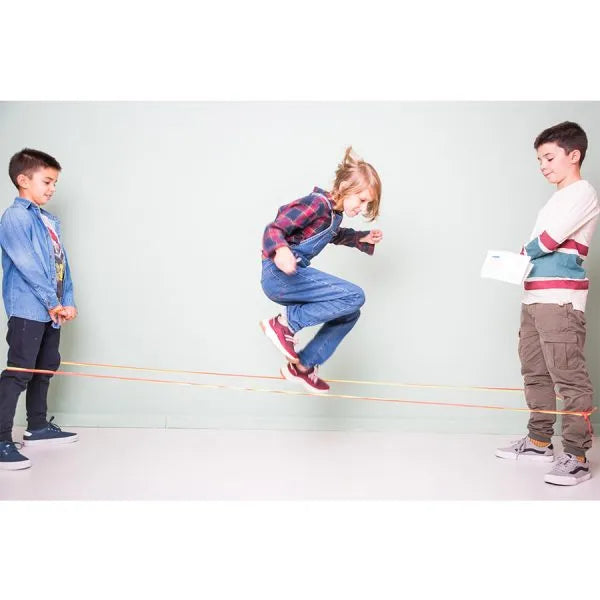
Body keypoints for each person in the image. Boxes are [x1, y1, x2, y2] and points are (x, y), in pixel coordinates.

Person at [495, 122, 599, 486]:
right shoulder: (556, 198)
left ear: (574, 155)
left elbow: (550, 240)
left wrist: (521, 253)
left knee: (568, 377)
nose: (543, 166)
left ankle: (576, 456)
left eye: (550, 158)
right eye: (540, 159)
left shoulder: (583, 192)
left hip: (560, 300)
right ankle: (539, 442)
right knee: (535, 371)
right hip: (534, 297)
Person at [260, 147, 383, 393]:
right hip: (279, 275)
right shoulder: (317, 203)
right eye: (361, 200)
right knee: (355, 295)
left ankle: (303, 366)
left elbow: (334, 235)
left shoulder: (333, 215)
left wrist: (361, 238)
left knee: (350, 312)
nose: (362, 208)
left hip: (291, 278)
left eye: (367, 204)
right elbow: (274, 228)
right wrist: (280, 250)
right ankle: (285, 324)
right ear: (345, 186)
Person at [0, 148, 78, 471]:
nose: (52, 188)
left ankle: (38, 426)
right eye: (47, 181)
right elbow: (28, 267)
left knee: (45, 367)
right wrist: (52, 302)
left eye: (55, 183)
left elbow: (61, 266)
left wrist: (67, 301)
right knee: (20, 372)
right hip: (28, 311)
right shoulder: (15, 217)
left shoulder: (48, 221)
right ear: (23, 180)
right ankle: (1, 439)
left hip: (50, 311)